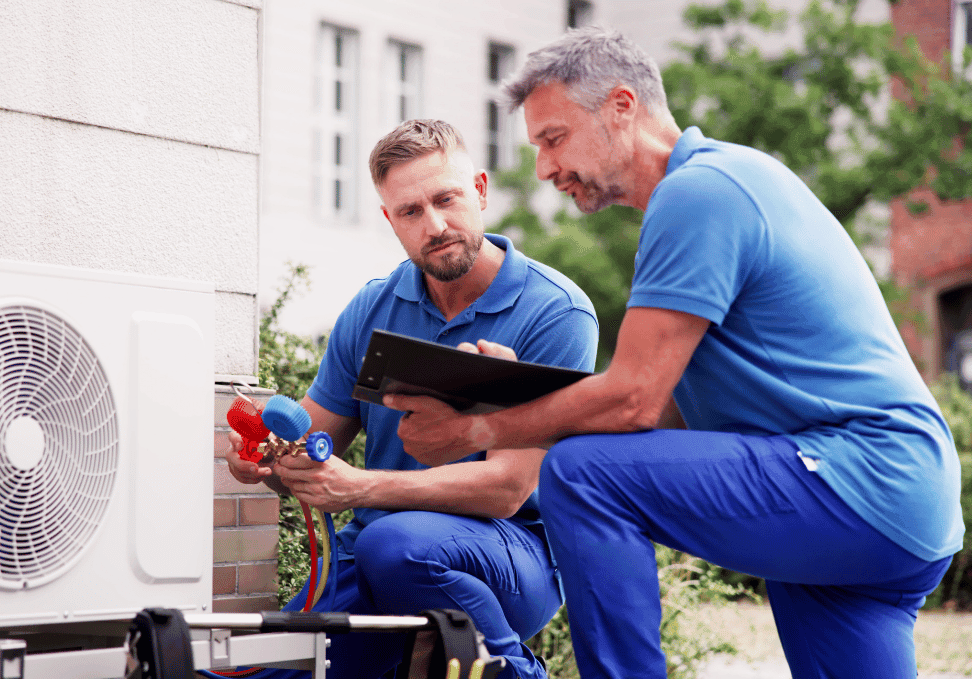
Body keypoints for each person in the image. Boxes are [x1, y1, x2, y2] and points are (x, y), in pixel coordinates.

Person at [386, 28, 964, 679]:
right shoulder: (724, 181)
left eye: (554, 138)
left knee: (583, 474)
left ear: (621, 107)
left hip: (856, 472)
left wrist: (475, 428)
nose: (545, 167)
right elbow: (664, 414)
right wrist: (517, 391)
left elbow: (632, 402)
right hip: (900, 500)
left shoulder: (699, 192)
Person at [226, 119, 599, 679]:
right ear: (389, 220)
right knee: (267, 671)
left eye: (446, 199)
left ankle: (516, 672)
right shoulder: (372, 308)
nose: (436, 224)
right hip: (372, 553)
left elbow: (506, 489)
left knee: (395, 543)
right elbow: (309, 449)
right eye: (410, 212)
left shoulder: (556, 314)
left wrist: (361, 487)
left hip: (516, 554)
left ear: (479, 189)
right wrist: (271, 463)